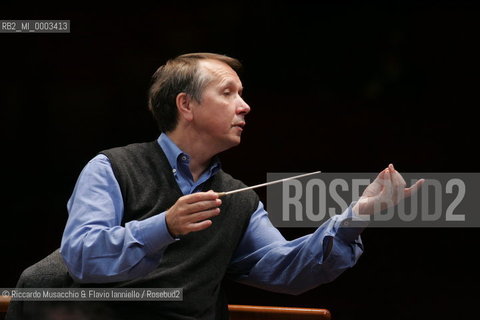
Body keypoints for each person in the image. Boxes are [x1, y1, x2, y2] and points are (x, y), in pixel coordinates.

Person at [58, 52, 423, 319]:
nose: (245, 106)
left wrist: (358, 215)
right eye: (228, 92)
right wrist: (165, 226)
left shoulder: (240, 200)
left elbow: (285, 269)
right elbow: (81, 256)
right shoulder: (111, 168)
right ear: (186, 104)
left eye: (242, 93)